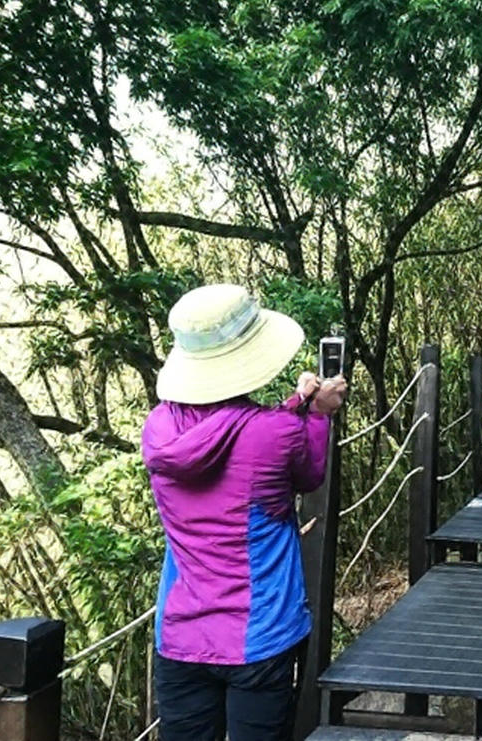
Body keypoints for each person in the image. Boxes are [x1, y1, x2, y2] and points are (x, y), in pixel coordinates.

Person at [142, 283, 347, 741]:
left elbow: (227, 436)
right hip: (260, 635)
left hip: (181, 636)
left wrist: (295, 407)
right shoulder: (276, 434)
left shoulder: (158, 430)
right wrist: (316, 414)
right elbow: (307, 471)